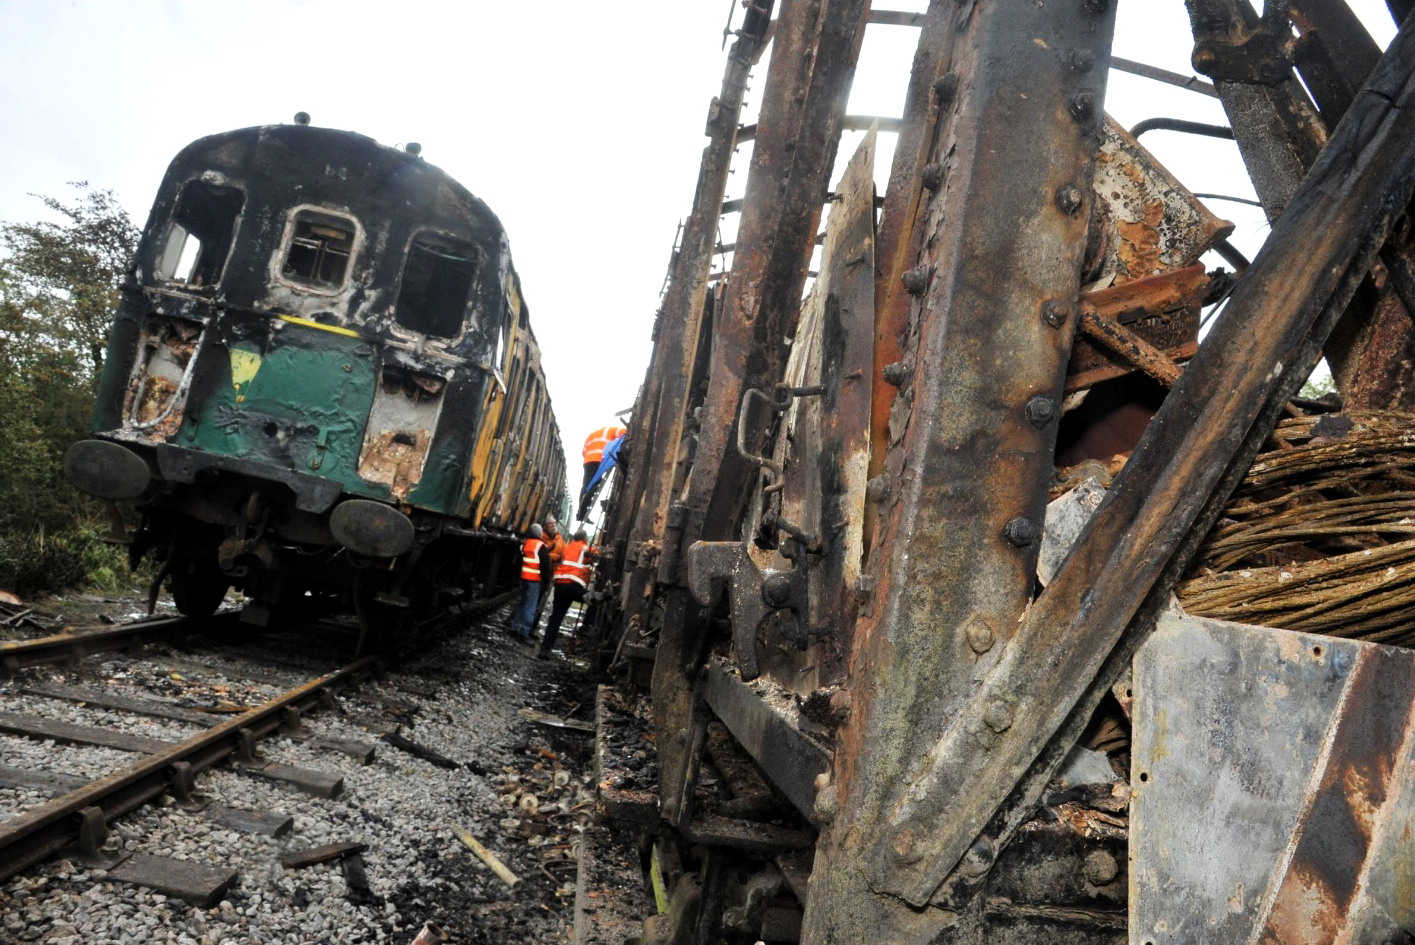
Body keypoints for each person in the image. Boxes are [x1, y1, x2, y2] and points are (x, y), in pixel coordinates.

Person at [537, 528, 596, 659]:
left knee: (555, 618)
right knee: (593, 601)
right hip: (573, 585)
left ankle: (544, 649)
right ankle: (586, 627)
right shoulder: (584, 548)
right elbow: (596, 554)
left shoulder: (567, 547)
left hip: (560, 585)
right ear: (584, 539)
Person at [578, 424, 626, 521]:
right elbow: (626, 432)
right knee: (594, 486)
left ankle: (581, 512)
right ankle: (582, 513)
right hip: (600, 459)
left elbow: (583, 451)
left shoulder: (592, 435)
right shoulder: (612, 430)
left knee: (587, 485)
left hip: (588, 461)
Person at [510, 524, 548, 640]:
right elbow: (545, 566)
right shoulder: (541, 546)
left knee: (522, 603)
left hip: (523, 578)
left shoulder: (525, 544)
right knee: (530, 606)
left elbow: (519, 560)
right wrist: (545, 582)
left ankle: (515, 628)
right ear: (539, 533)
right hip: (534, 580)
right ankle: (524, 632)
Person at [533, 516, 566, 628]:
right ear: (545, 526)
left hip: (552, 574)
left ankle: (533, 626)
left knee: (542, 601)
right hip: (540, 573)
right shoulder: (542, 537)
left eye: (554, 523)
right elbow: (542, 554)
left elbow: (564, 553)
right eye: (551, 524)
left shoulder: (559, 538)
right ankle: (526, 626)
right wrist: (554, 557)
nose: (554, 525)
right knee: (534, 600)